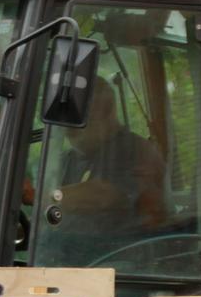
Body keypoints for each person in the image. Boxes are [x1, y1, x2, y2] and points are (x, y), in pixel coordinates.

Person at [55, 82, 168, 229]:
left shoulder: (135, 150)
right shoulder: (67, 160)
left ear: (107, 112)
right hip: (72, 247)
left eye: (76, 114)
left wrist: (47, 198)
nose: (67, 124)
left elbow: (103, 197)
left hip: (127, 247)